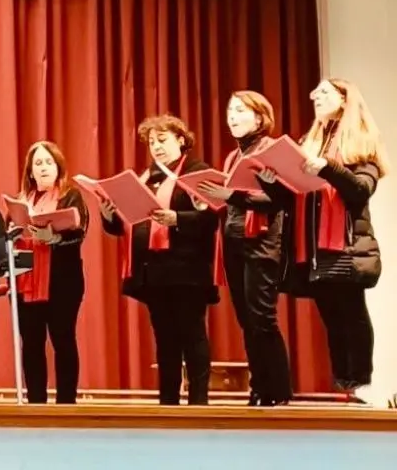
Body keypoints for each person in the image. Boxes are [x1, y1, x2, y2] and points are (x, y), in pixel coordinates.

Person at [254, 79, 385, 404]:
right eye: (314, 92)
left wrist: (328, 167)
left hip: (346, 247)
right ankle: (346, 386)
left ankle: (362, 383)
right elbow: (290, 199)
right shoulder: (308, 144)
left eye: (324, 92)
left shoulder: (360, 147)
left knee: (351, 316)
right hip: (313, 250)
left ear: (344, 99)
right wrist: (271, 183)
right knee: (332, 319)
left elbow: (359, 190)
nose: (315, 97)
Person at [100, 114, 219, 405]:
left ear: (181, 140)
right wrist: (108, 214)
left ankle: (198, 401)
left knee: (191, 335)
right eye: (152, 142)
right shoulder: (145, 178)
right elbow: (129, 224)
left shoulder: (195, 171)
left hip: (187, 270)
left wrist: (177, 218)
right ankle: (168, 402)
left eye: (162, 140)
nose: (156, 147)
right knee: (165, 338)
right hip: (153, 271)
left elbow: (211, 218)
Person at [195, 91, 292, 406]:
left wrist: (230, 195)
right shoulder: (233, 156)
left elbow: (278, 200)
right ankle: (259, 388)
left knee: (262, 317)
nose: (232, 117)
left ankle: (277, 390)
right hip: (235, 242)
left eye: (239, 110)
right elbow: (233, 201)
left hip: (262, 242)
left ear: (260, 118)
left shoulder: (271, 151)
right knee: (247, 320)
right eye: (229, 111)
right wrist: (209, 199)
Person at [10, 140, 88, 405]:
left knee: (63, 339)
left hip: (62, 281)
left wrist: (53, 238)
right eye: (38, 163)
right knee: (31, 345)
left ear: (58, 167)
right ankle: (35, 404)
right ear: (30, 171)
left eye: (49, 162)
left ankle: (66, 403)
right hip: (25, 282)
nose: (44, 168)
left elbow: (79, 232)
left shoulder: (70, 195)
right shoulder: (20, 201)